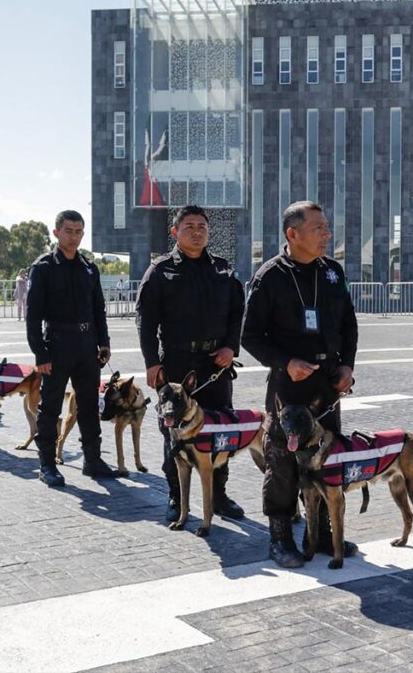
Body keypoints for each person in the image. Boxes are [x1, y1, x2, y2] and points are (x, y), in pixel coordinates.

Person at [242, 200, 358, 568]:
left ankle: (319, 533)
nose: (327, 234)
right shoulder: (270, 276)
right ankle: (280, 537)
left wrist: (347, 366)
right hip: (289, 387)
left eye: (326, 227)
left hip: (327, 384)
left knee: (325, 457)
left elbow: (349, 324)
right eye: (318, 228)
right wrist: (286, 363)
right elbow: (250, 335)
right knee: (283, 462)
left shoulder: (332, 272)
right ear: (292, 234)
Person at [136, 205, 246, 522]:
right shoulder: (160, 271)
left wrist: (231, 347)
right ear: (175, 232)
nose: (197, 232)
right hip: (176, 363)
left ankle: (218, 495)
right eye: (189, 226)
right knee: (174, 430)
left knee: (220, 428)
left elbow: (237, 313)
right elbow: (145, 322)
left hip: (216, 363)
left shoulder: (222, 270)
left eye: (202, 226)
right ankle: (176, 495)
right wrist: (151, 363)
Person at [26, 210, 118, 486]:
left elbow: (98, 308)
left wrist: (104, 342)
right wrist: (40, 354)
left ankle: (93, 459)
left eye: (78, 231)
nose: (74, 236)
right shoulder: (43, 267)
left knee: (89, 405)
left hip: (87, 345)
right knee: (51, 406)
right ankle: (47, 464)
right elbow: (33, 315)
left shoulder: (88, 267)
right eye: (68, 231)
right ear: (56, 233)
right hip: (57, 343)